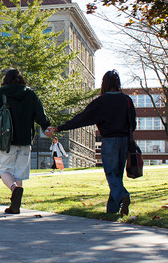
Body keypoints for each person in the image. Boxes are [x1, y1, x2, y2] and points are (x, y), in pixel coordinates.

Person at [46, 70, 136, 216]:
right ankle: (113, 210)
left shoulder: (101, 102)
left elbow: (81, 119)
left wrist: (58, 128)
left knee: (110, 173)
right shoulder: (126, 100)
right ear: (118, 83)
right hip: (125, 141)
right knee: (117, 175)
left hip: (109, 140)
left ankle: (122, 195)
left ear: (104, 84)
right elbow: (134, 124)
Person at [0, 69, 51, 214]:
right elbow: (39, 113)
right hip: (25, 140)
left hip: (7, 139)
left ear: (6, 79)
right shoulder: (30, 93)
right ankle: (15, 206)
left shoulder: (2, 93)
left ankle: (14, 189)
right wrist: (46, 126)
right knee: (19, 174)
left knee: (4, 170)